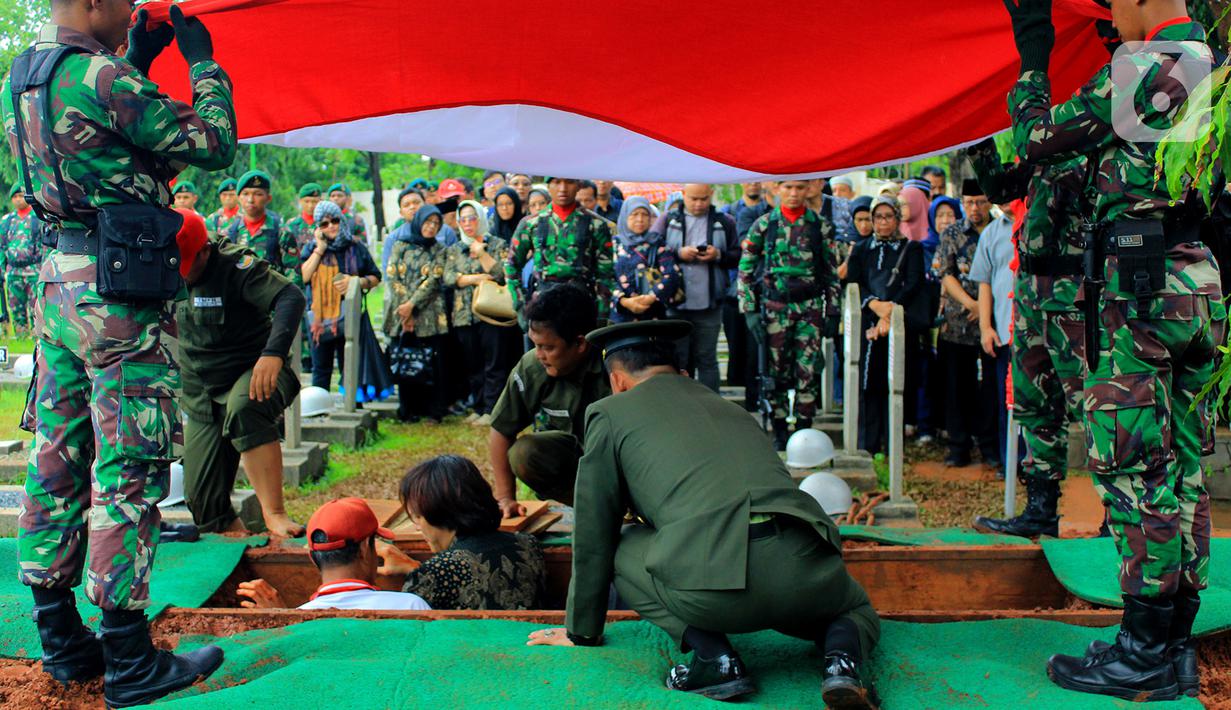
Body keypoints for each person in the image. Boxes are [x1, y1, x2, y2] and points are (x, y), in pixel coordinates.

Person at [1, 4, 232, 704]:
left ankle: (65, 642)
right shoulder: (101, 76)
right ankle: (131, 661)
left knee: (58, 461)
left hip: (59, 291)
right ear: (95, 4)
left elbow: (96, 135)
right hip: (116, 300)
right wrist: (202, 64)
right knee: (127, 466)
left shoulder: (28, 75)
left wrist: (137, 57)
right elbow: (213, 143)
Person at [1002, 0, 1224, 699]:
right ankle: (1170, 637)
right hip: (1193, 281)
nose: (1111, 24)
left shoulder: (1156, 62)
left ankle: (1145, 650)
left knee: (1134, 469)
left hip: (1141, 291)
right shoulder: (1211, 63)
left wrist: (1031, 56)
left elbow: (1033, 138)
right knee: (1181, 467)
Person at [526, 320, 880, 707]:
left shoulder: (609, 412)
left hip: (715, 593)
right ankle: (841, 663)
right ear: (681, 373)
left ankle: (716, 658)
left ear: (618, 381)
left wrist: (581, 631)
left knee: (622, 541)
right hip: (806, 571)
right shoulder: (730, 408)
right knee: (855, 609)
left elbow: (596, 531)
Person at [176, 210, 307, 538]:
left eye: (185, 266)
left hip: (255, 372)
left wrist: (273, 354)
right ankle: (241, 552)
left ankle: (274, 514)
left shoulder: (235, 266)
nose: (178, 276)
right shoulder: (158, 268)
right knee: (203, 502)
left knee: (245, 406)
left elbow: (290, 296)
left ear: (205, 250)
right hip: (201, 392)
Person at [488, 284, 610, 518]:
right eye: (535, 345)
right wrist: (505, 497)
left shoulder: (618, 358)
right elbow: (501, 430)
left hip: (624, 461)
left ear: (580, 343)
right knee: (525, 453)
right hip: (578, 462)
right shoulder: (533, 366)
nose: (539, 354)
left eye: (548, 347)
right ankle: (595, 508)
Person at [739, 181, 840, 449]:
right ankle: (780, 431)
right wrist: (749, 310)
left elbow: (831, 273)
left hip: (809, 309)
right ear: (777, 189)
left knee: (808, 370)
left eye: (799, 188)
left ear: (808, 189)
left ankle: (805, 431)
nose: (794, 194)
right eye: (788, 188)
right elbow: (746, 269)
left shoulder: (821, 226)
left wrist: (833, 311)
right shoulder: (764, 224)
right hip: (775, 309)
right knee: (776, 372)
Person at [375, 456, 548, 610]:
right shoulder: (528, 544)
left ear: (438, 513)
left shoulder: (436, 573)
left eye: (418, 517)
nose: (417, 527)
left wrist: (420, 574)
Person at [237, 498, 431, 611]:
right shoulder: (411, 606)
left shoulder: (296, 620)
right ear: (365, 549)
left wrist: (281, 620)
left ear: (313, 558)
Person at [843, 198, 927, 454]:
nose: (882, 222)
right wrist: (873, 305)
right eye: (877, 217)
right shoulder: (860, 249)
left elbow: (913, 284)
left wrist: (889, 312)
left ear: (897, 219)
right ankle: (869, 444)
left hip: (899, 323)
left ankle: (894, 445)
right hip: (867, 324)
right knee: (869, 384)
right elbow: (853, 283)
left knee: (896, 382)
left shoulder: (910, 249)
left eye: (888, 216)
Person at [932, 179, 1001, 468]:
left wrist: (987, 308)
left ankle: (990, 447)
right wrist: (972, 304)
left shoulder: (1000, 230)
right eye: (969, 202)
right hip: (958, 323)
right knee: (957, 387)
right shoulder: (952, 233)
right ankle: (957, 446)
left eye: (980, 202)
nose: (975, 208)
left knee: (991, 390)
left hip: (994, 323)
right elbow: (945, 274)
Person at [653, 184, 739, 391]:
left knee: (707, 358)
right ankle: (681, 406)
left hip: (709, 302)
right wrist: (677, 253)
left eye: (703, 199)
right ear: (683, 195)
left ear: (711, 195)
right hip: (676, 302)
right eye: (693, 199)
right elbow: (651, 250)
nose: (698, 204)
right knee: (678, 358)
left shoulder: (724, 222)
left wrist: (718, 255)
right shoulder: (668, 220)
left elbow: (738, 255)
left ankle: (712, 408)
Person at [446, 200, 520, 424]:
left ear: (481, 218)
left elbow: (501, 273)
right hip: (463, 315)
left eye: (472, 218)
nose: (468, 223)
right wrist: (476, 278)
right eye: (463, 219)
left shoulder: (496, 244)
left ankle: (492, 409)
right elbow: (448, 278)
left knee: (494, 363)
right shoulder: (455, 249)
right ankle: (478, 407)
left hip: (492, 313)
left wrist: (482, 255)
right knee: (473, 364)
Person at [505, 177, 615, 321]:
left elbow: (606, 274)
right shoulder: (531, 224)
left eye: (569, 182)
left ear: (578, 186)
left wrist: (601, 314)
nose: (563, 188)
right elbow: (512, 266)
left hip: (581, 304)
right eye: (556, 182)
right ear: (548, 186)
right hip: (543, 305)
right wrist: (521, 306)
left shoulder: (596, 224)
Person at [301, 200, 382, 391]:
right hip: (319, 319)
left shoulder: (355, 246)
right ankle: (319, 408)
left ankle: (353, 403)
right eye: (324, 224)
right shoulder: (312, 248)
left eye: (335, 221)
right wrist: (319, 249)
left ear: (342, 220)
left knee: (351, 363)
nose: (331, 227)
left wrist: (355, 282)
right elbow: (304, 276)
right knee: (320, 367)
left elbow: (375, 276)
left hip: (350, 314)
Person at [384, 204, 451, 422]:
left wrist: (412, 305)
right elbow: (393, 277)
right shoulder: (400, 245)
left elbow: (433, 280)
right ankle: (407, 409)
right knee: (405, 359)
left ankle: (434, 409)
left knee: (435, 362)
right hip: (401, 312)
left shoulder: (439, 249)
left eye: (436, 224)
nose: (431, 227)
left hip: (430, 312)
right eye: (427, 222)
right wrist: (406, 310)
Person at [969, 200, 1019, 476]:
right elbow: (984, 283)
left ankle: (1037, 466)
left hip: (1036, 331)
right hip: (1003, 331)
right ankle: (1008, 460)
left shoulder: (1038, 220)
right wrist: (985, 327)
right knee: (1005, 399)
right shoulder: (991, 232)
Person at [612, 196, 681, 323]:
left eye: (645, 214)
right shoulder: (614, 244)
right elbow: (606, 276)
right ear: (625, 216)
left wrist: (650, 297)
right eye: (634, 214)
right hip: (622, 315)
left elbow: (671, 273)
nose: (640, 219)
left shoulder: (657, 242)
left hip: (654, 313)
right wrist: (624, 301)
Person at [225, 170, 293, 274]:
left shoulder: (281, 231)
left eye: (258, 194)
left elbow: (293, 273)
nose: (250, 200)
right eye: (245, 194)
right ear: (238, 198)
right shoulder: (230, 232)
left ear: (268, 198)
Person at [0, 185, 41, 333]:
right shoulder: (6, 221)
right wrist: (2, 270)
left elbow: (45, 245)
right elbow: (2, 246)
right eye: (15, 197)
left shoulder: (38, 218)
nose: (18, 199)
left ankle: (37, 338)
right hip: (13, 271)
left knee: (36, 307)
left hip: (34, 269)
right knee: (15, 307)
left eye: (20, 195)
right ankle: (21, 336)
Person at [283, 182, 323, 282]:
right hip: (298, 278)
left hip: (321, 277)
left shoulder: (326, 224)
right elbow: (287, 257)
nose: (310, 206)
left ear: (321, 201)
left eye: (314, 202)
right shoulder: (291, 225)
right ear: (300, 201)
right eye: (307, 201)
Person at [383, 186, 426, 271]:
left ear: (425, 205)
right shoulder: (393, 238)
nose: (412, 207)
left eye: (416, 203)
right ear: (401, 212)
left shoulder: (445, 232)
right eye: (406, 205)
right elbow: (388, 273)